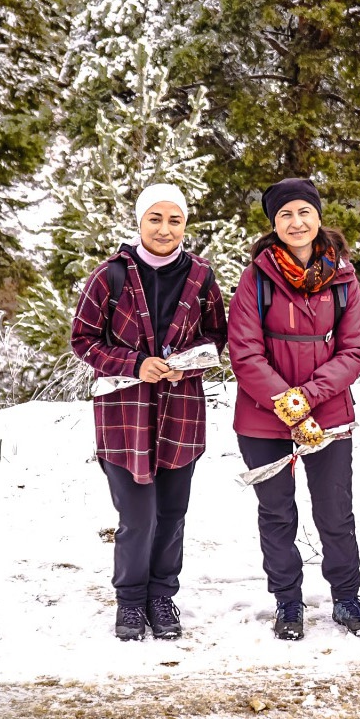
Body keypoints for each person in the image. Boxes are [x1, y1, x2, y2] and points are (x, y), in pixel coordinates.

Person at [71, 184, 227, 641]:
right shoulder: (110, 277)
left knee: (173, 514)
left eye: (174, 220)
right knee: (138, 518)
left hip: (181, 412)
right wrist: (135, 364)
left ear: (185, 225)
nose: (164, 229)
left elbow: (216, 336)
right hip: (124, 414)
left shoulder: (201, 276)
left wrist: (187, 364)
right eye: (155, 219)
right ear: (139, 222)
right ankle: (130, 600)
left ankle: (161, 596)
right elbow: (83, 340)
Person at [228, 178, 360, 640]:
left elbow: (355, 349)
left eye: (304, 212)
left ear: (317, 216)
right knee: (276, 513)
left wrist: (306, 397)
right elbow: (244, 352)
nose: (296, 222)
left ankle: (346, 598)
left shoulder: (343, 278)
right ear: (274, 224)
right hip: (263, 416)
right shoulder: (255, 279)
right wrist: (285, 402)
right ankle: (288, 602)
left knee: (335, 512)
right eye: (285, 215)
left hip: (327, 413)